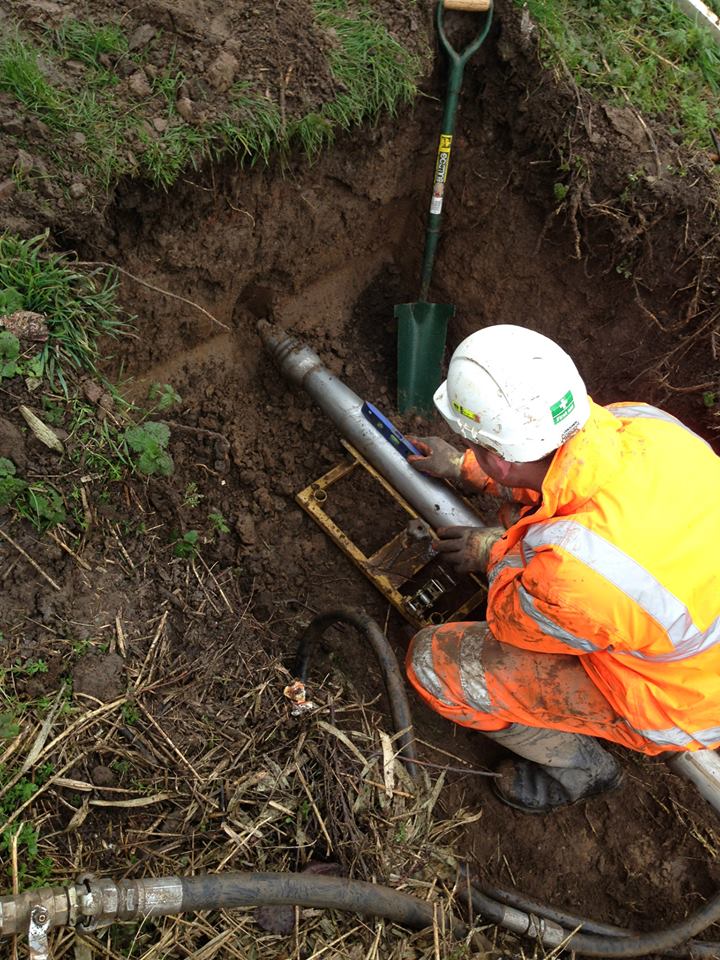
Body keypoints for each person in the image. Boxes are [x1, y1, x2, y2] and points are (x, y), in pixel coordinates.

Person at [406, 324, 720, 813]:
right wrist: (467, 468)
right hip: (688, 631)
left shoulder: (574, 575)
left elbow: (509, 622)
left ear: (498, 458)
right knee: (525, 522)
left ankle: (581, 768)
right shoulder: (643, 424)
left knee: (432, 664)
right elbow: (566, 472)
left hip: (683, 700)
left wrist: (490, 552)